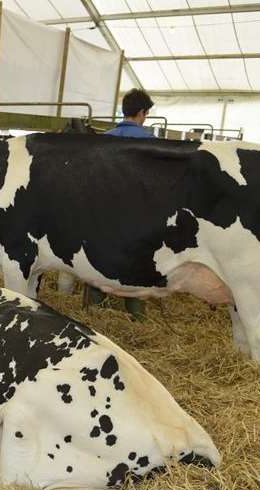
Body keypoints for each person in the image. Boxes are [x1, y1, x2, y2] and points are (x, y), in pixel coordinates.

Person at [87, 89, 157, 318]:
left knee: (100, 255)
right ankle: (136, 312)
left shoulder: (103, 140)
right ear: (141, 112)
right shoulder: (153, 143)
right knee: (137, 259)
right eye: (145, 114)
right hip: (138, 214)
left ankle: (96, 306)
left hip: (104, 211)